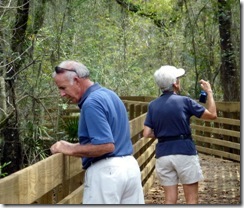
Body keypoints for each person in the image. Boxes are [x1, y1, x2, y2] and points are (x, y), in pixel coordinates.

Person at [50, 60, 145, 204]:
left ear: (76, 80)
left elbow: (106, 145)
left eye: (63, 88)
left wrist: (69, 148)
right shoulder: (110, 95)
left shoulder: (91, 103)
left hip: (108, 174)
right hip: (129, 168)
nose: (62, 94)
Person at [143, 65, 217, 204]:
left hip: (163, 154)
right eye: (178, 79)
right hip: (184, 152)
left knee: (170, 199)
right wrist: (209, 92)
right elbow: (212, 115)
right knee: (191, 199)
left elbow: (146, 133)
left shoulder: (152, 105)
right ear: (175, 84)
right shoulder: (185, 101)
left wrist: (163, 133)